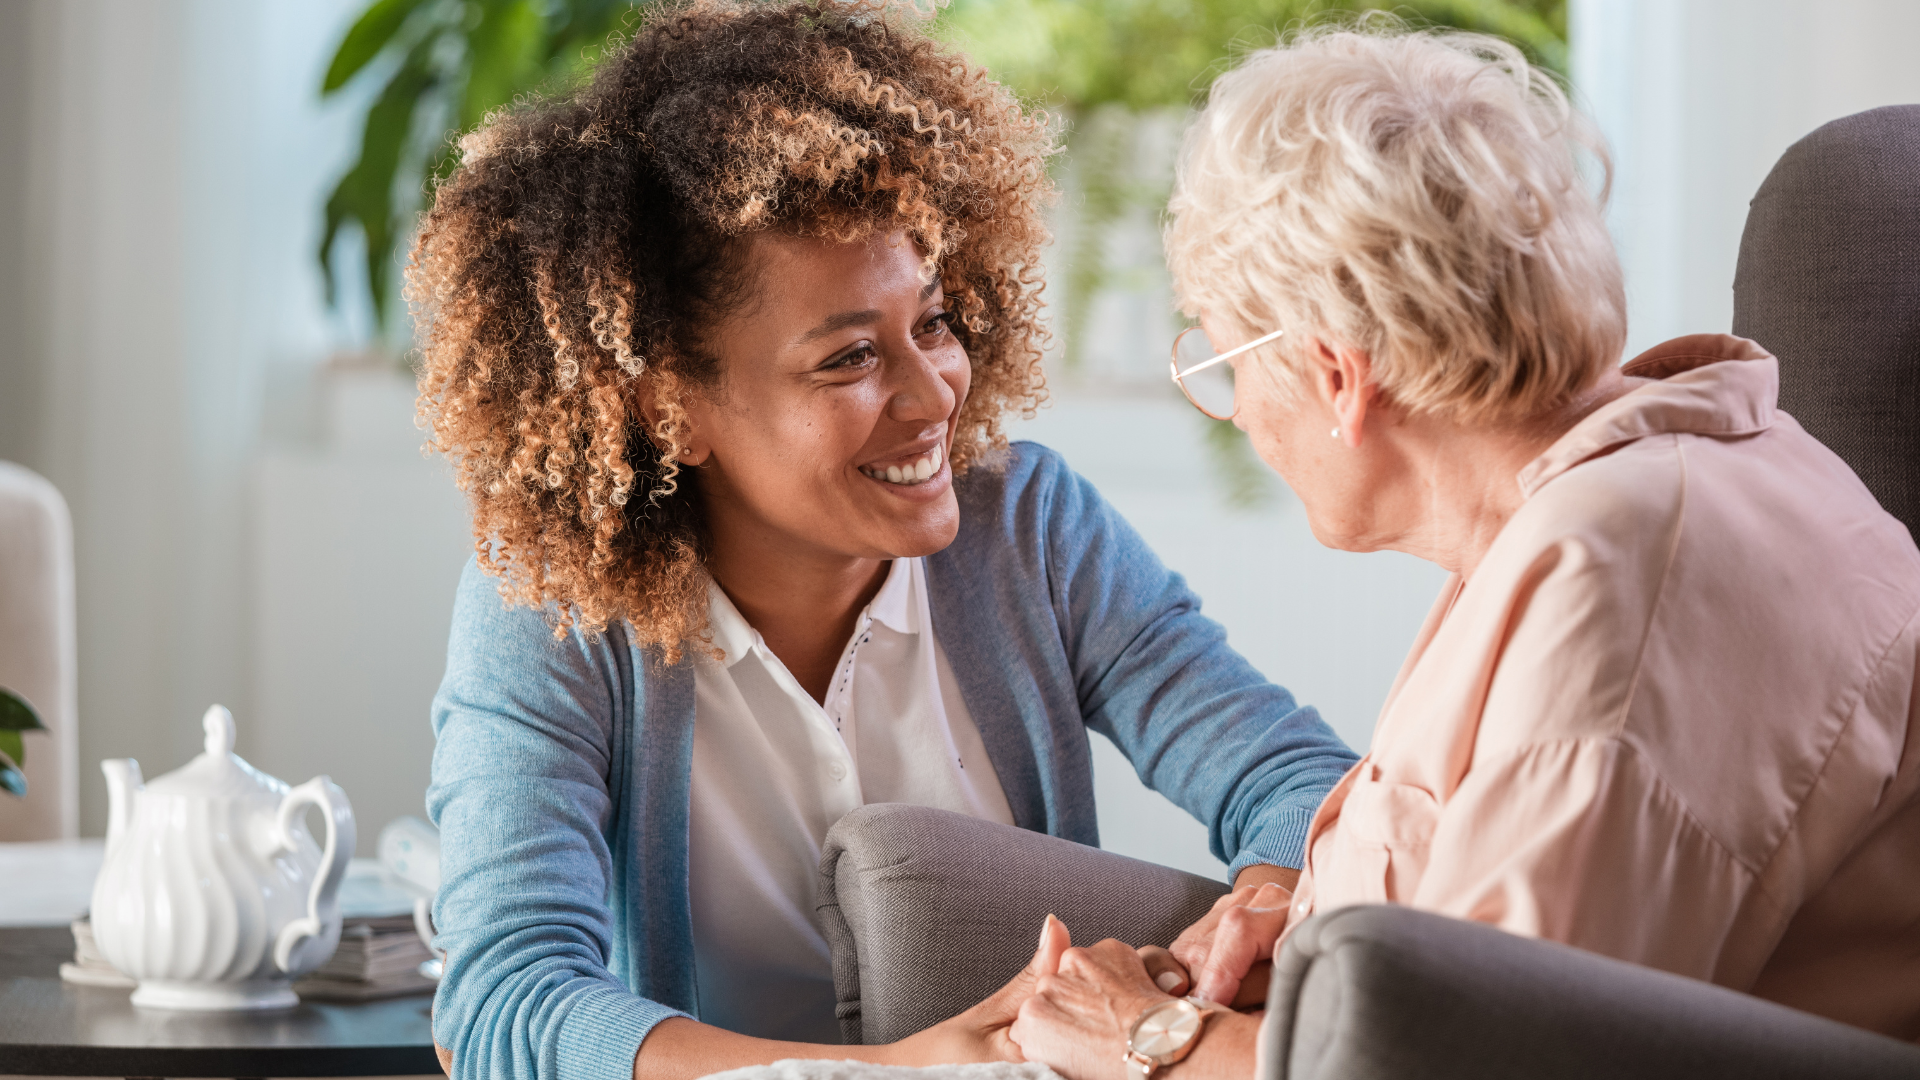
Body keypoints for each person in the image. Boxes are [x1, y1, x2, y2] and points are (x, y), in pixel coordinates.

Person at [409, 2, 1359, 1078]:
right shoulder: (553, 607)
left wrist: (1254, 917)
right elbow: (502, 1003)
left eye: (936, 324)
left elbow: (1299, 785)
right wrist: (889, 1074)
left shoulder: (1031, 530)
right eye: (849, 359)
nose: (932, 394)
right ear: (671, 408)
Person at [1007, 23, 1920, 1080]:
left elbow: (1489, 1057)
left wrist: (1149, 1041)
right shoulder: (1613, 500)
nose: (1237, 415)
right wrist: (1300, 936)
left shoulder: (1619, 583)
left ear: (1337, 373)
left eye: (1226, 359)